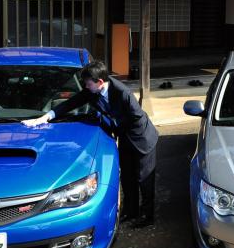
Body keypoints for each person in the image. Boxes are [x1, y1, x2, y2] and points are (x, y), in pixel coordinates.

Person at [22, 60, 159, 227]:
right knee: (128, 176)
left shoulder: (122, 92)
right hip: (124, 137)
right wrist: (45, 117)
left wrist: (113, 121)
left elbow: (136, 115)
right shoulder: (91, 92)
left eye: (88, 83)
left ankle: (147, 216)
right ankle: (131, 211)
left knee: (144, 177)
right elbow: (70, 103)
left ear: (100, 82)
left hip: (141, 138)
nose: (86, 87)